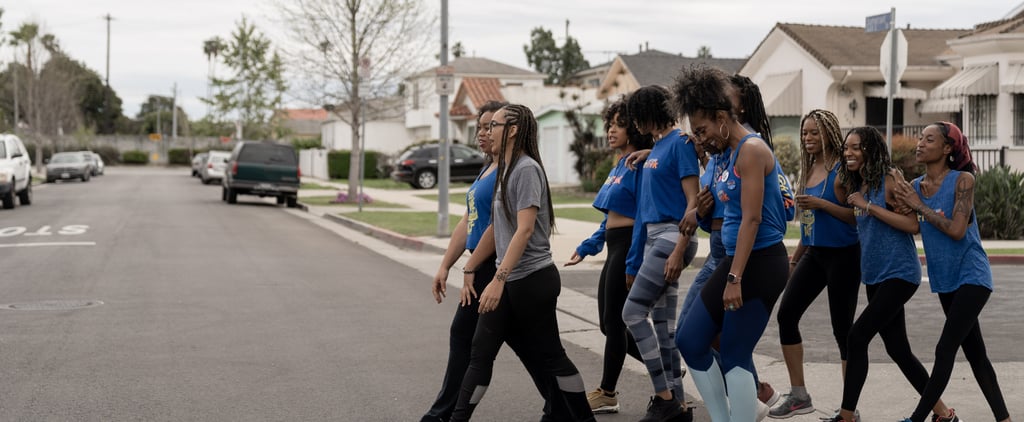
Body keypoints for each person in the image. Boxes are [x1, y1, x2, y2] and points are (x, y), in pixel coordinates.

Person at [451, 104, 594, 422]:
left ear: (513, 130)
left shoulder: (527, 169)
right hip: (510, 279)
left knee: (553, 358)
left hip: (532, 280)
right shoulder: (505, 169)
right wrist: (471, 267)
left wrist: (498, 279)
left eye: (495, 126)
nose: (488, 131)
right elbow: (496, 227)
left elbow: (525, 229)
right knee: (480, 353)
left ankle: (583, 419)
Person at [669, 64, 789, 422]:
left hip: (760, 263)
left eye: (703, 129)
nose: (701, 138)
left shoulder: (751, 150)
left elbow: (752, 218)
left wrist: (735, 278)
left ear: (723, 118)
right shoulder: (727, 155)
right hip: (737, 259)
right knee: (690, 340)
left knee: (735, 353)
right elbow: (722, 209)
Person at [831, 126, 956, 422]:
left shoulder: (889, 181)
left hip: (900, 273)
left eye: (856, 147)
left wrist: (869, 206)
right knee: (899, 350)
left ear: (871, 151)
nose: (849, 152)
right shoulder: (858, 184)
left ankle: (846, 416)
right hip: (875, 276)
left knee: (857, 337)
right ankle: (944, 415)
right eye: (846, 147)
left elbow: (912, 225)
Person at [893, 122, 1011, 422]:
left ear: (947, 148)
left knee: (945, 349)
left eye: (928, 139)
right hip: (944, 280)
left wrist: (918, 206)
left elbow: (958, 230)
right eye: (920, 138)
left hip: (972, 276)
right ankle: (1005, 419)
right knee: (976, 356)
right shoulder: (916, 186)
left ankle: (918, 418)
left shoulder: (963, 181)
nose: (920, 143)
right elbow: (913, 224)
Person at [769, 109, 859, 419]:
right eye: (804, 133)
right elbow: (808, 222)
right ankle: (799, 395)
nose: (807, 138)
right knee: (787, 314)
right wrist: (795, 259)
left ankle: (850, 410)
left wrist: (822, 203)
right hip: (814, 254)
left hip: (845, 255)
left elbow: (857, 216)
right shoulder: (808, 170)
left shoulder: (843, 172)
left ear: (828, 133)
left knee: (843, 331)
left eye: (813, 133)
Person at [564, 98, 653, 414]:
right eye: (609, 124)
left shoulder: (642, 164)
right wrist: (588, 246)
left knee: (615, 322)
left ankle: (608, 391)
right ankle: (665, 366)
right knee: (607, 324)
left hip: (629, 244)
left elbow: (644, 214)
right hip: (614, 243)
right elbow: (610, 216)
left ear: (634, 127)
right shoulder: (620, 163)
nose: (611, 130)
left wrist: (634, 258)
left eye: (618, 124)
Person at [621, 85, 700, 422]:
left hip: (672, 237)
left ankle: (664, 397)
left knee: (632, 313)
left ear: (651, 111)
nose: (633, 122)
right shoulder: (659, 146)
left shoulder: (681, 143)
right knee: (664, 327)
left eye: (637, 114)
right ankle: (679, 407)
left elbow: (693, 202)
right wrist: (646, 155)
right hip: (658, 238)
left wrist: (680, 249)